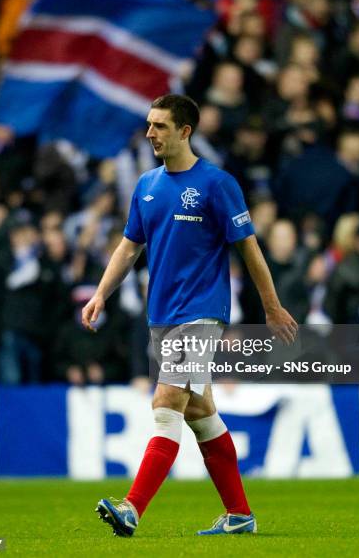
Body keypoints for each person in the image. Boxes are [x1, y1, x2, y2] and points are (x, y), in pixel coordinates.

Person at [82, 94, 297, 537]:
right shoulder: (146, 185)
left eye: (159, 126)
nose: (149, 133)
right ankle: (239, 514)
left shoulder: (218, 184)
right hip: (161, 315)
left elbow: (249, 249)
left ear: (185, 131)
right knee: (199, 410)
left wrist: (271, 306)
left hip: (201, 312)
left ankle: (132, 508)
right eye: (148, 125)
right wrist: (102, 293)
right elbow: (128, 247)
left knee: (166, 403)